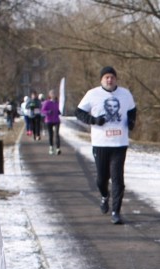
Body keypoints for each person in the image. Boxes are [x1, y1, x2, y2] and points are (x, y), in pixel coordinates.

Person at [75, 66, 137, 225]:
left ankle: (116, 212)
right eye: (106, 77)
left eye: (112, 77)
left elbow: (132, 110)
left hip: (120, 143)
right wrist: (94, 121)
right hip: (100, 143)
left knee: (118, 179)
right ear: (101, 80)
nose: (109, 80)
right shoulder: (92, 94)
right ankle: (104, 196)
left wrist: (131, 122)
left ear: (116, 79)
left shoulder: (125, 94)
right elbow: (79, 112)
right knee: (101, 179)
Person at [41, 90, 61, 155]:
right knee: (51, 134)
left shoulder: (57, 102)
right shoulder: (47, 102)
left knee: (57, 134)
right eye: (52, 94)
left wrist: (59, 112)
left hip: (56, 120)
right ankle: (51, 147)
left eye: (54, 93)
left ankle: (58, 148)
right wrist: (48, 112)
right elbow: (42, 111)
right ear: (49, 95)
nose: (53, 95)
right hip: (49, 120)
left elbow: (59, 110)